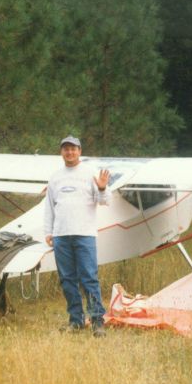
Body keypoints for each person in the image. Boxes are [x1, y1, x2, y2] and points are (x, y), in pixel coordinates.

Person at [44, 135, 110, 338]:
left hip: (84, 234)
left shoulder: (91, 173)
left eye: (73, 149)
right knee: (67, 279)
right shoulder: (55, 177)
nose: (69, 152)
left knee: (89, 278)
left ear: (80, 151)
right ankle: (76, 320)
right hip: (61, 235)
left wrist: (101, 187)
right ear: (61, 152)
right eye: (66, 149)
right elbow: (49, 206)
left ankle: (97, 321)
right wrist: (49, 231)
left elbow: (104, 201)